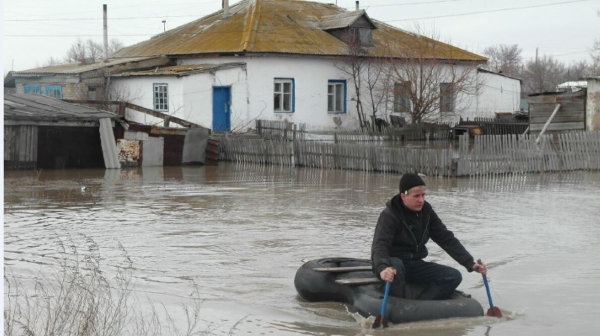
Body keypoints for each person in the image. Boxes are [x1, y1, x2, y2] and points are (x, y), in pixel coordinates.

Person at [371, 173, 487, 300]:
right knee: (396, 267)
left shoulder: (427, 212)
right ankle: (393, 297)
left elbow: (446, 238)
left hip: (415, 264)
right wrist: (382, 268)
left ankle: (422, 302)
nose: (421, 200)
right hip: (392, 263)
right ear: (403, 196)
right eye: (416, 196)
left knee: (454, 276)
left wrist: (470, 263)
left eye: (423, 195)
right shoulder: (390, 215)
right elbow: (380, 245)